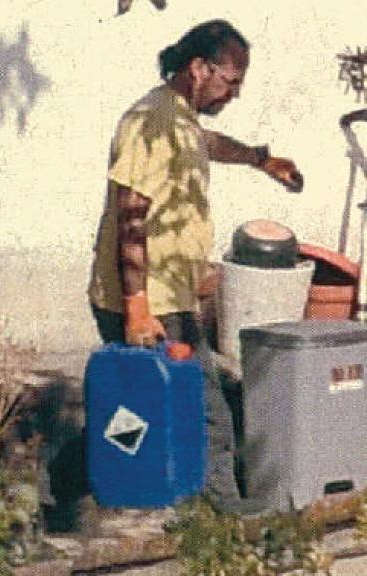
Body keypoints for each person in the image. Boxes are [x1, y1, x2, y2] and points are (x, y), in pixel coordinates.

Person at [87, 19, 302, 514]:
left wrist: (258, 159)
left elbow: (206, 142)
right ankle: (226, 517)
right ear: (199, 68)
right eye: (230, 81)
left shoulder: (178, 117)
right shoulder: (152, 121)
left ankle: (139, 498)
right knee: (204, 415)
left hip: (166, 297)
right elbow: (131, 216)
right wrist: (138, 307)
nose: (234, 93)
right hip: (148, 303)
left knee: (141, 410)